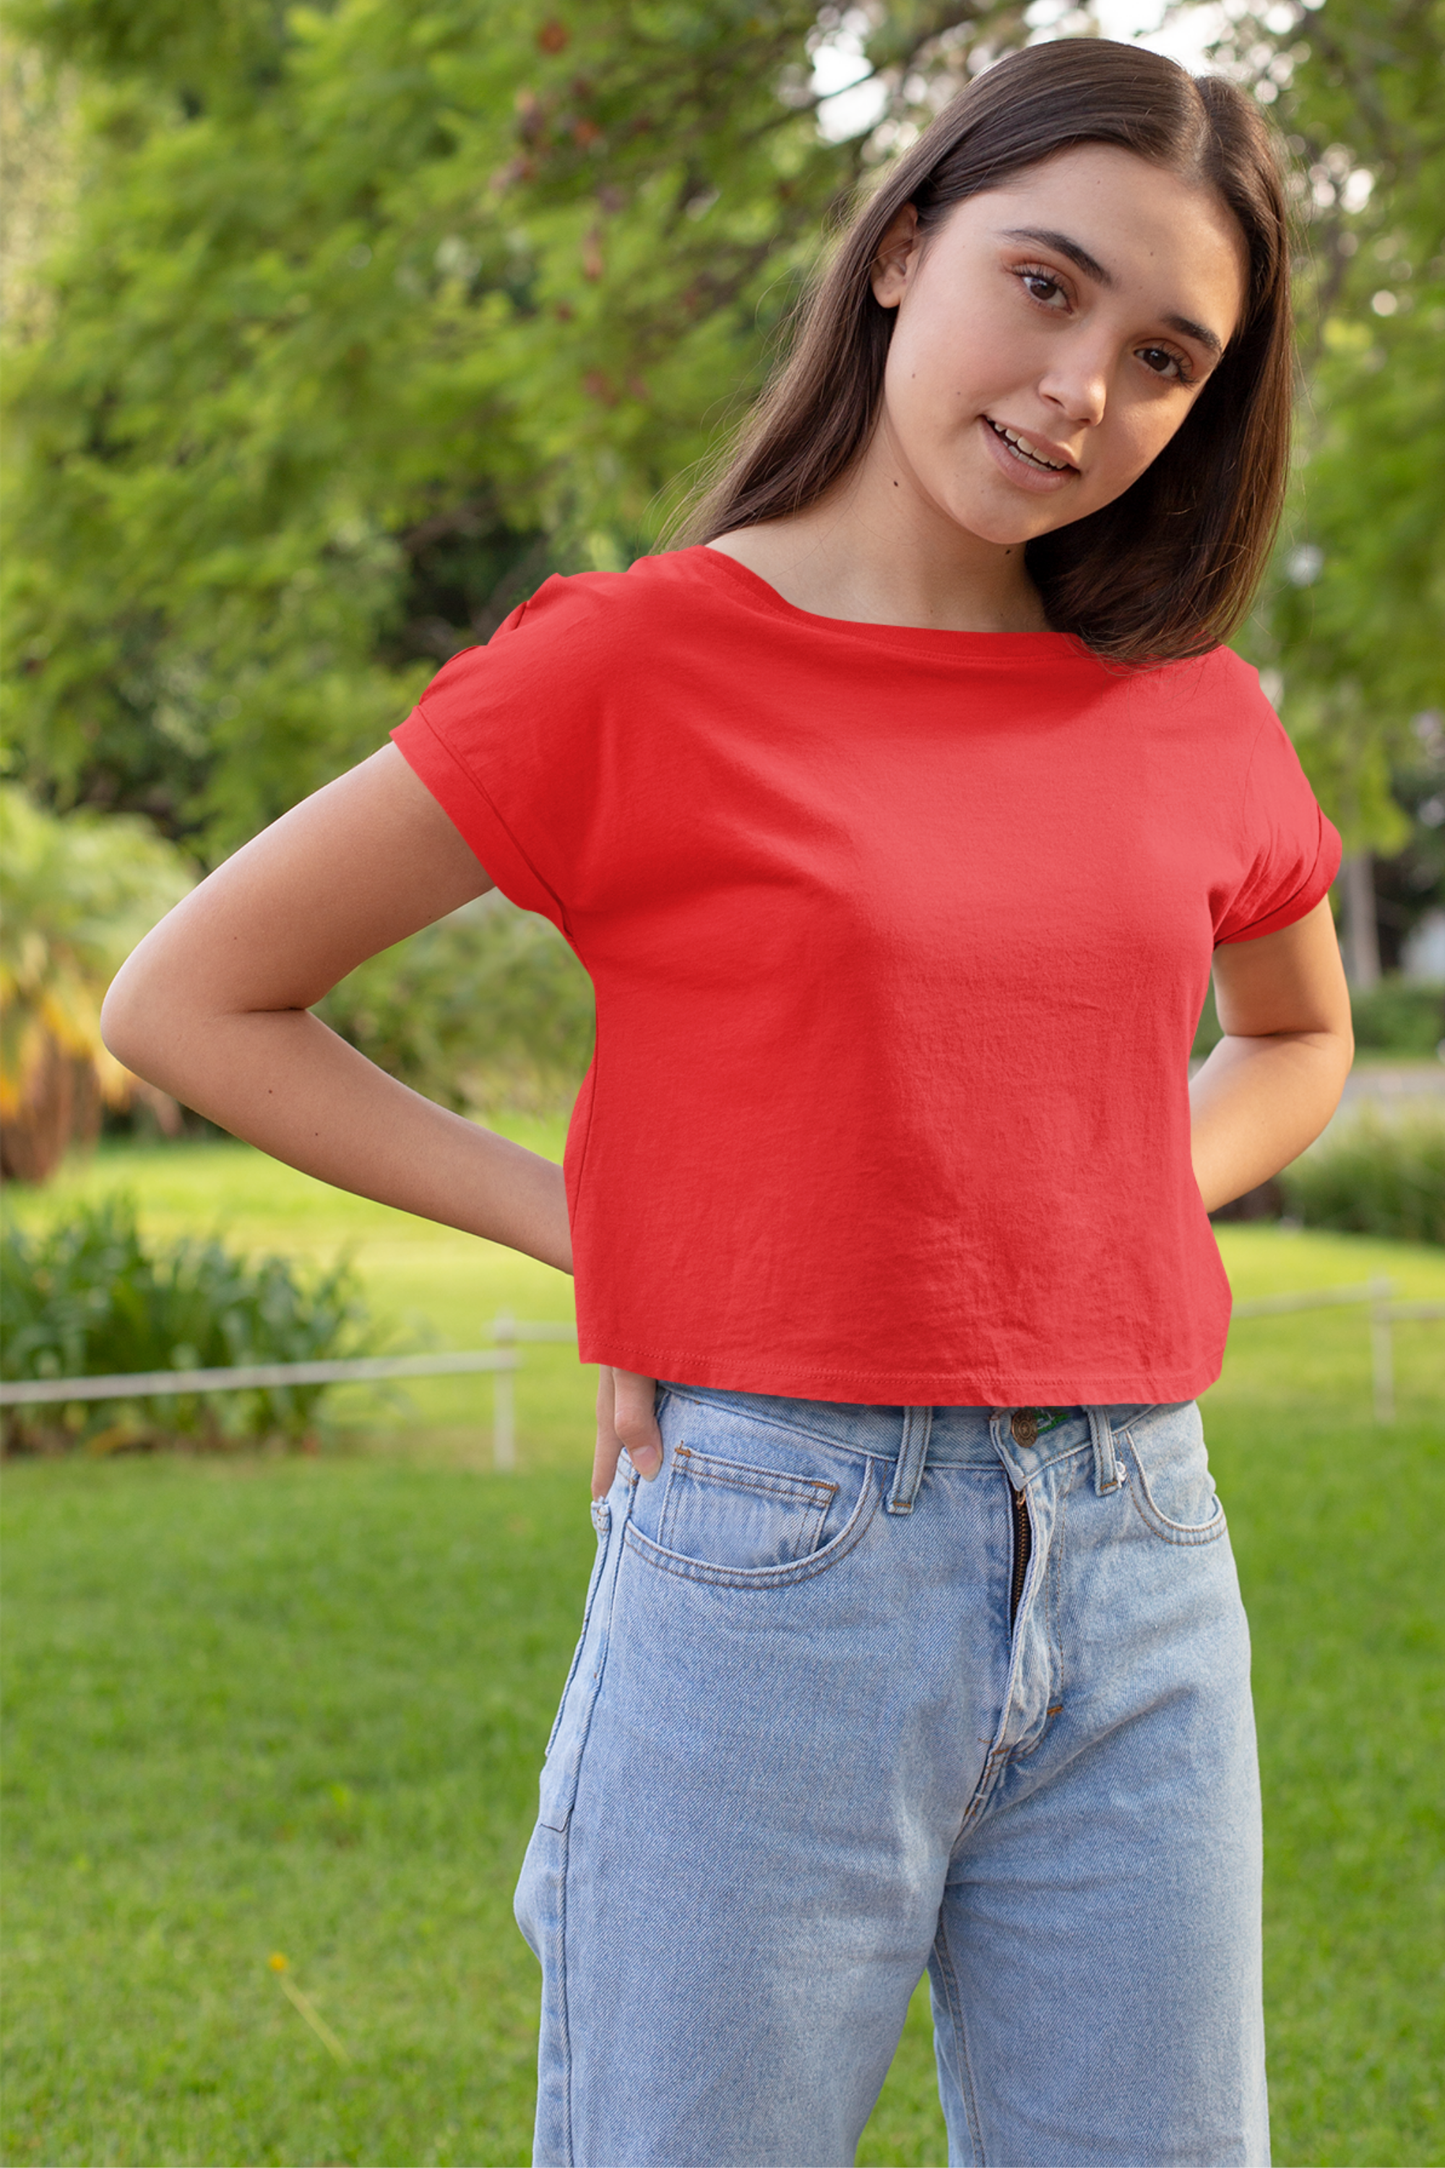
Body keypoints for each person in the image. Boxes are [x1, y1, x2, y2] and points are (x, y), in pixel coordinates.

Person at [104, 36, 1353, 2167]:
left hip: (1143, 1548)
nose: (1080, 391)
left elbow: (1296, 1035)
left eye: (1162, 357)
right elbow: (197, 998)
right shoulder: (634, 664)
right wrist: (603, 1228)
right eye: (1039, 288)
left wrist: (1124, 1193)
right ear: (894, 252)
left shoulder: (1188, 709)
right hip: (774, 1548)